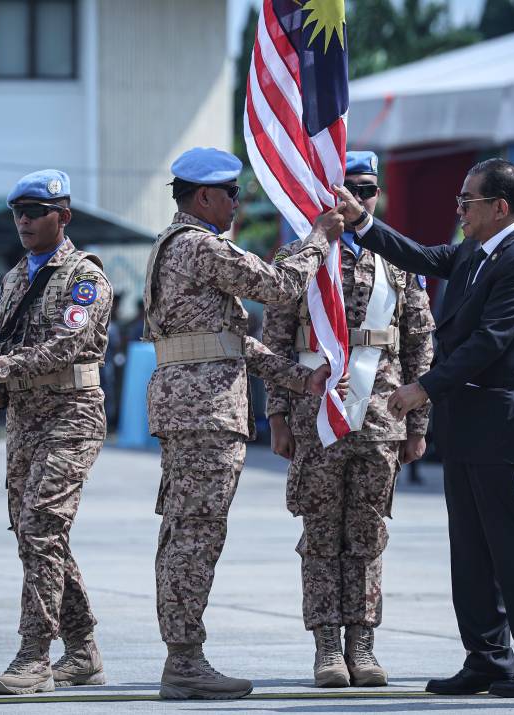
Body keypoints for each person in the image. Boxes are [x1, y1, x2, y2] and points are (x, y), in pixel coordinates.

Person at [337, 158, 514, 699]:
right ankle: (488, 657)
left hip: (502, 423)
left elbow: (487, 342)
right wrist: (362, 224)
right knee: (471, 549)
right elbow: (424, 257)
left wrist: (423, 387)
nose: (460, 209)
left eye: (468, 201)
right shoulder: (478, 250)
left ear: (499, 207)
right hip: (469, 424)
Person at [144, 147, 344, 700]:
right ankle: (184, 660)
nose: (238, 202)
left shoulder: (175, 247)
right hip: (205, 413)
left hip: (192, 410)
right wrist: (320, 239)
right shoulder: (200, 247)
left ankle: (183, 654)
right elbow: (280, 286)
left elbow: (229, 342)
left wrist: (295, 376)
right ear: (204, 196)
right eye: (231, 193)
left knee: (186, 531)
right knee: (196, 535)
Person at [262, 151, 435, 689]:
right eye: (349, 189)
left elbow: (419, 342)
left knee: (367, 533)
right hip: (317, 411)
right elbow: (275, 341)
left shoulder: (396, 259)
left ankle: (362, 642)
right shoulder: (303, 255)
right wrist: (277, 415)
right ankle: (326, 648)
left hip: (382, 412)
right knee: (320, 533)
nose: (358, 200)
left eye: (367, 190)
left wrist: (419, 422)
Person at [0, 170, 111, 695]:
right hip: (25, 418)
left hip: (71, 416)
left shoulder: (85, 276)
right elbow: (12, 343)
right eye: (16, 212)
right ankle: (83, 647)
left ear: (61, 216)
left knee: (43, 526)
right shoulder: (16, 275)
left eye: (33, 211)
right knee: (34, 534)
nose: (22, 221)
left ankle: (34, 655)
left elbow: (65, 346)